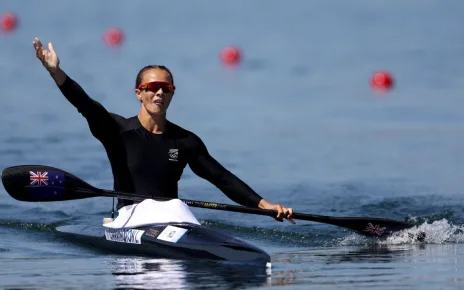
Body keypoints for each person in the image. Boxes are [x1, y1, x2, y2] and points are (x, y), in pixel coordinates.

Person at [32, 37, 294, 223]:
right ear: (139, 93)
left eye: (166, 88)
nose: (159, 92)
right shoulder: (116, 129)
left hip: (174, 216)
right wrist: (56, 72)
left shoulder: (185, 141)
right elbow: (85, 104)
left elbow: (222, 178)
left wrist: (265, 205)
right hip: (130, 219)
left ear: (172, 94)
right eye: (153, 87)